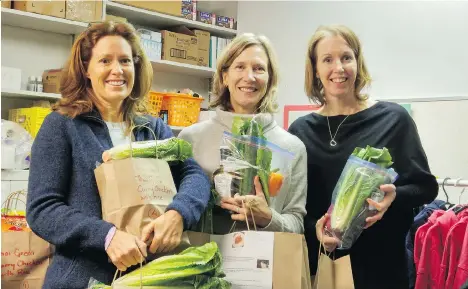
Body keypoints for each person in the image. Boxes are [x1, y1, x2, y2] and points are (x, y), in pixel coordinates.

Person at [26, 21, 211, 289]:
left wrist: (178, 214)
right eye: (105, 61)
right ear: (86, 69)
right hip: (81, 279)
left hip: (150, 277)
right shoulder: (63, 124)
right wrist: (107, 236)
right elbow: (42, 209)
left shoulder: (153, 128)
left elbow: (194, 174)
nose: (117, 70)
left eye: (125, 60)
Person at [288, 25, 438, 289]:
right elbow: (297, 207)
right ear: (315, 69)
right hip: (322, 270)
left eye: (346, 57)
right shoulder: (300, 131)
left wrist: (394, 197)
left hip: (383, 271)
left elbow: (425, 187)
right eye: (327, 59)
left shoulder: (393, 119)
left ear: (358, 62)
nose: (339, 68)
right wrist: (315, 229)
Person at [179, 33, 307, 234]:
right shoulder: (190, 139)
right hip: (203, 261)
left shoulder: (292, 146)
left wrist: (268, 217)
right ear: (225, 77)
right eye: (240, 67)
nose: (249, 77)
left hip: (267, 262)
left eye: (259, 69)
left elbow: (297, 224)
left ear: (270, 79)